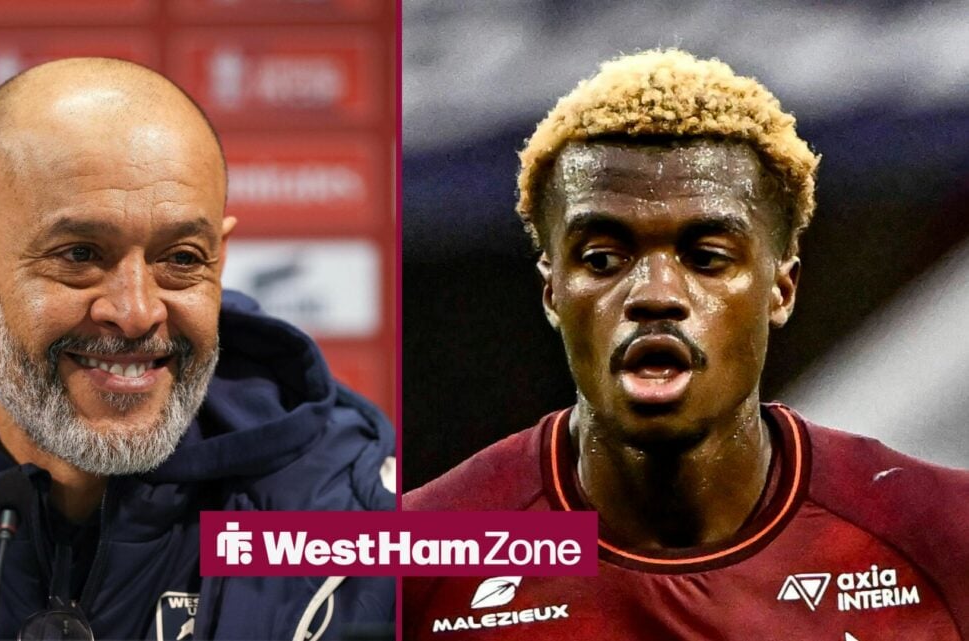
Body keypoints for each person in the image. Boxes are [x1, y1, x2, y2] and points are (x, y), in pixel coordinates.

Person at [403, 49, 969, 639]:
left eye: (706, 258)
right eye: (602, 259)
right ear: (552, 293)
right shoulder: (426, 555)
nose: (655, 295)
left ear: (780, 289)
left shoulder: (941, 535)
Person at [0, 57, 395, 640]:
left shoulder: (363, 527)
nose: (136, 312)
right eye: (79, 255)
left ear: (218, 262)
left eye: (180, 259)